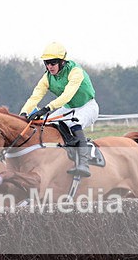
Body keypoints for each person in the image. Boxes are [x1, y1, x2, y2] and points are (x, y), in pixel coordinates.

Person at [19, 42, 99, 177]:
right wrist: (23, 113)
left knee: (74, 122)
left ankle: (84, 163)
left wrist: (47, 108)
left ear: (62, 62)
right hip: (67, 108)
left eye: (53, 62)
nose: (49, 66)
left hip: (87, 106)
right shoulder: (47, 78)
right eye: (46, 63)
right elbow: (35, 97)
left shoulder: (76, 72)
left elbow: (67, 96)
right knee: (48, 124)